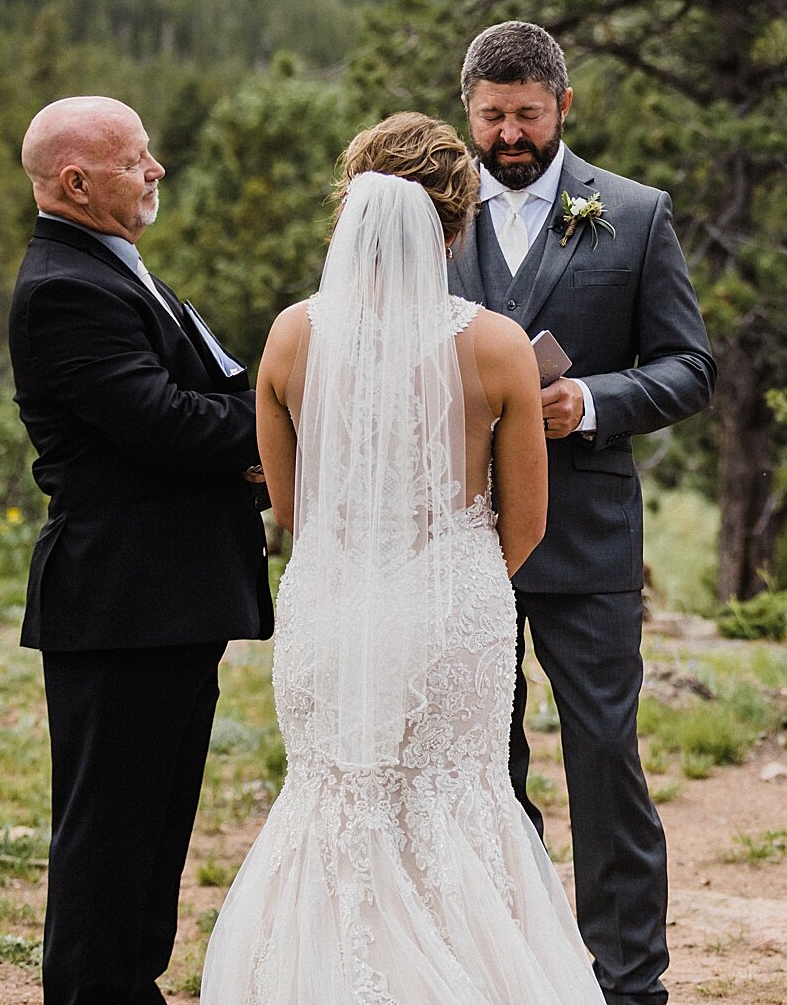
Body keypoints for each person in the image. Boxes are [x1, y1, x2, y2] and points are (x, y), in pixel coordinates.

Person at [201, 114, 605, 1004]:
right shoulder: (497, 344)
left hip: (332, 600)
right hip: (451, 601)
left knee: (339, 801)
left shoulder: (290, 337)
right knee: (454, 804)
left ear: (350, 214)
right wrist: (451, 581)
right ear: (454, 228)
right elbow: (527, 522)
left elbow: (294, 506)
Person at [448, 22, 714, 1005]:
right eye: (491, 115)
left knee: (604, 756)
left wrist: (591, 401)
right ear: (466, 112)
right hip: (461, 534)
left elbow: (692, 366)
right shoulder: (427, 215)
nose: (509, 134)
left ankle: (630, 980)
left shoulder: (636, 217)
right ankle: (505, 963)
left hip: (589, 535)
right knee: (480, 755)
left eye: (526, 114)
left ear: (564, 105)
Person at [8, 96, 272, 1005]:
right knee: (110, 835)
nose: (157, 168)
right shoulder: (64, 290)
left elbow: (216, 392)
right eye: (137, 159)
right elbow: (165, 422)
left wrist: (244, 426)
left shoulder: (118, 270)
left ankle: (131, 986)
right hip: (123, 601)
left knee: (155, 830)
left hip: (166, 599)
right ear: (76, 182)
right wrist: (261, 435)